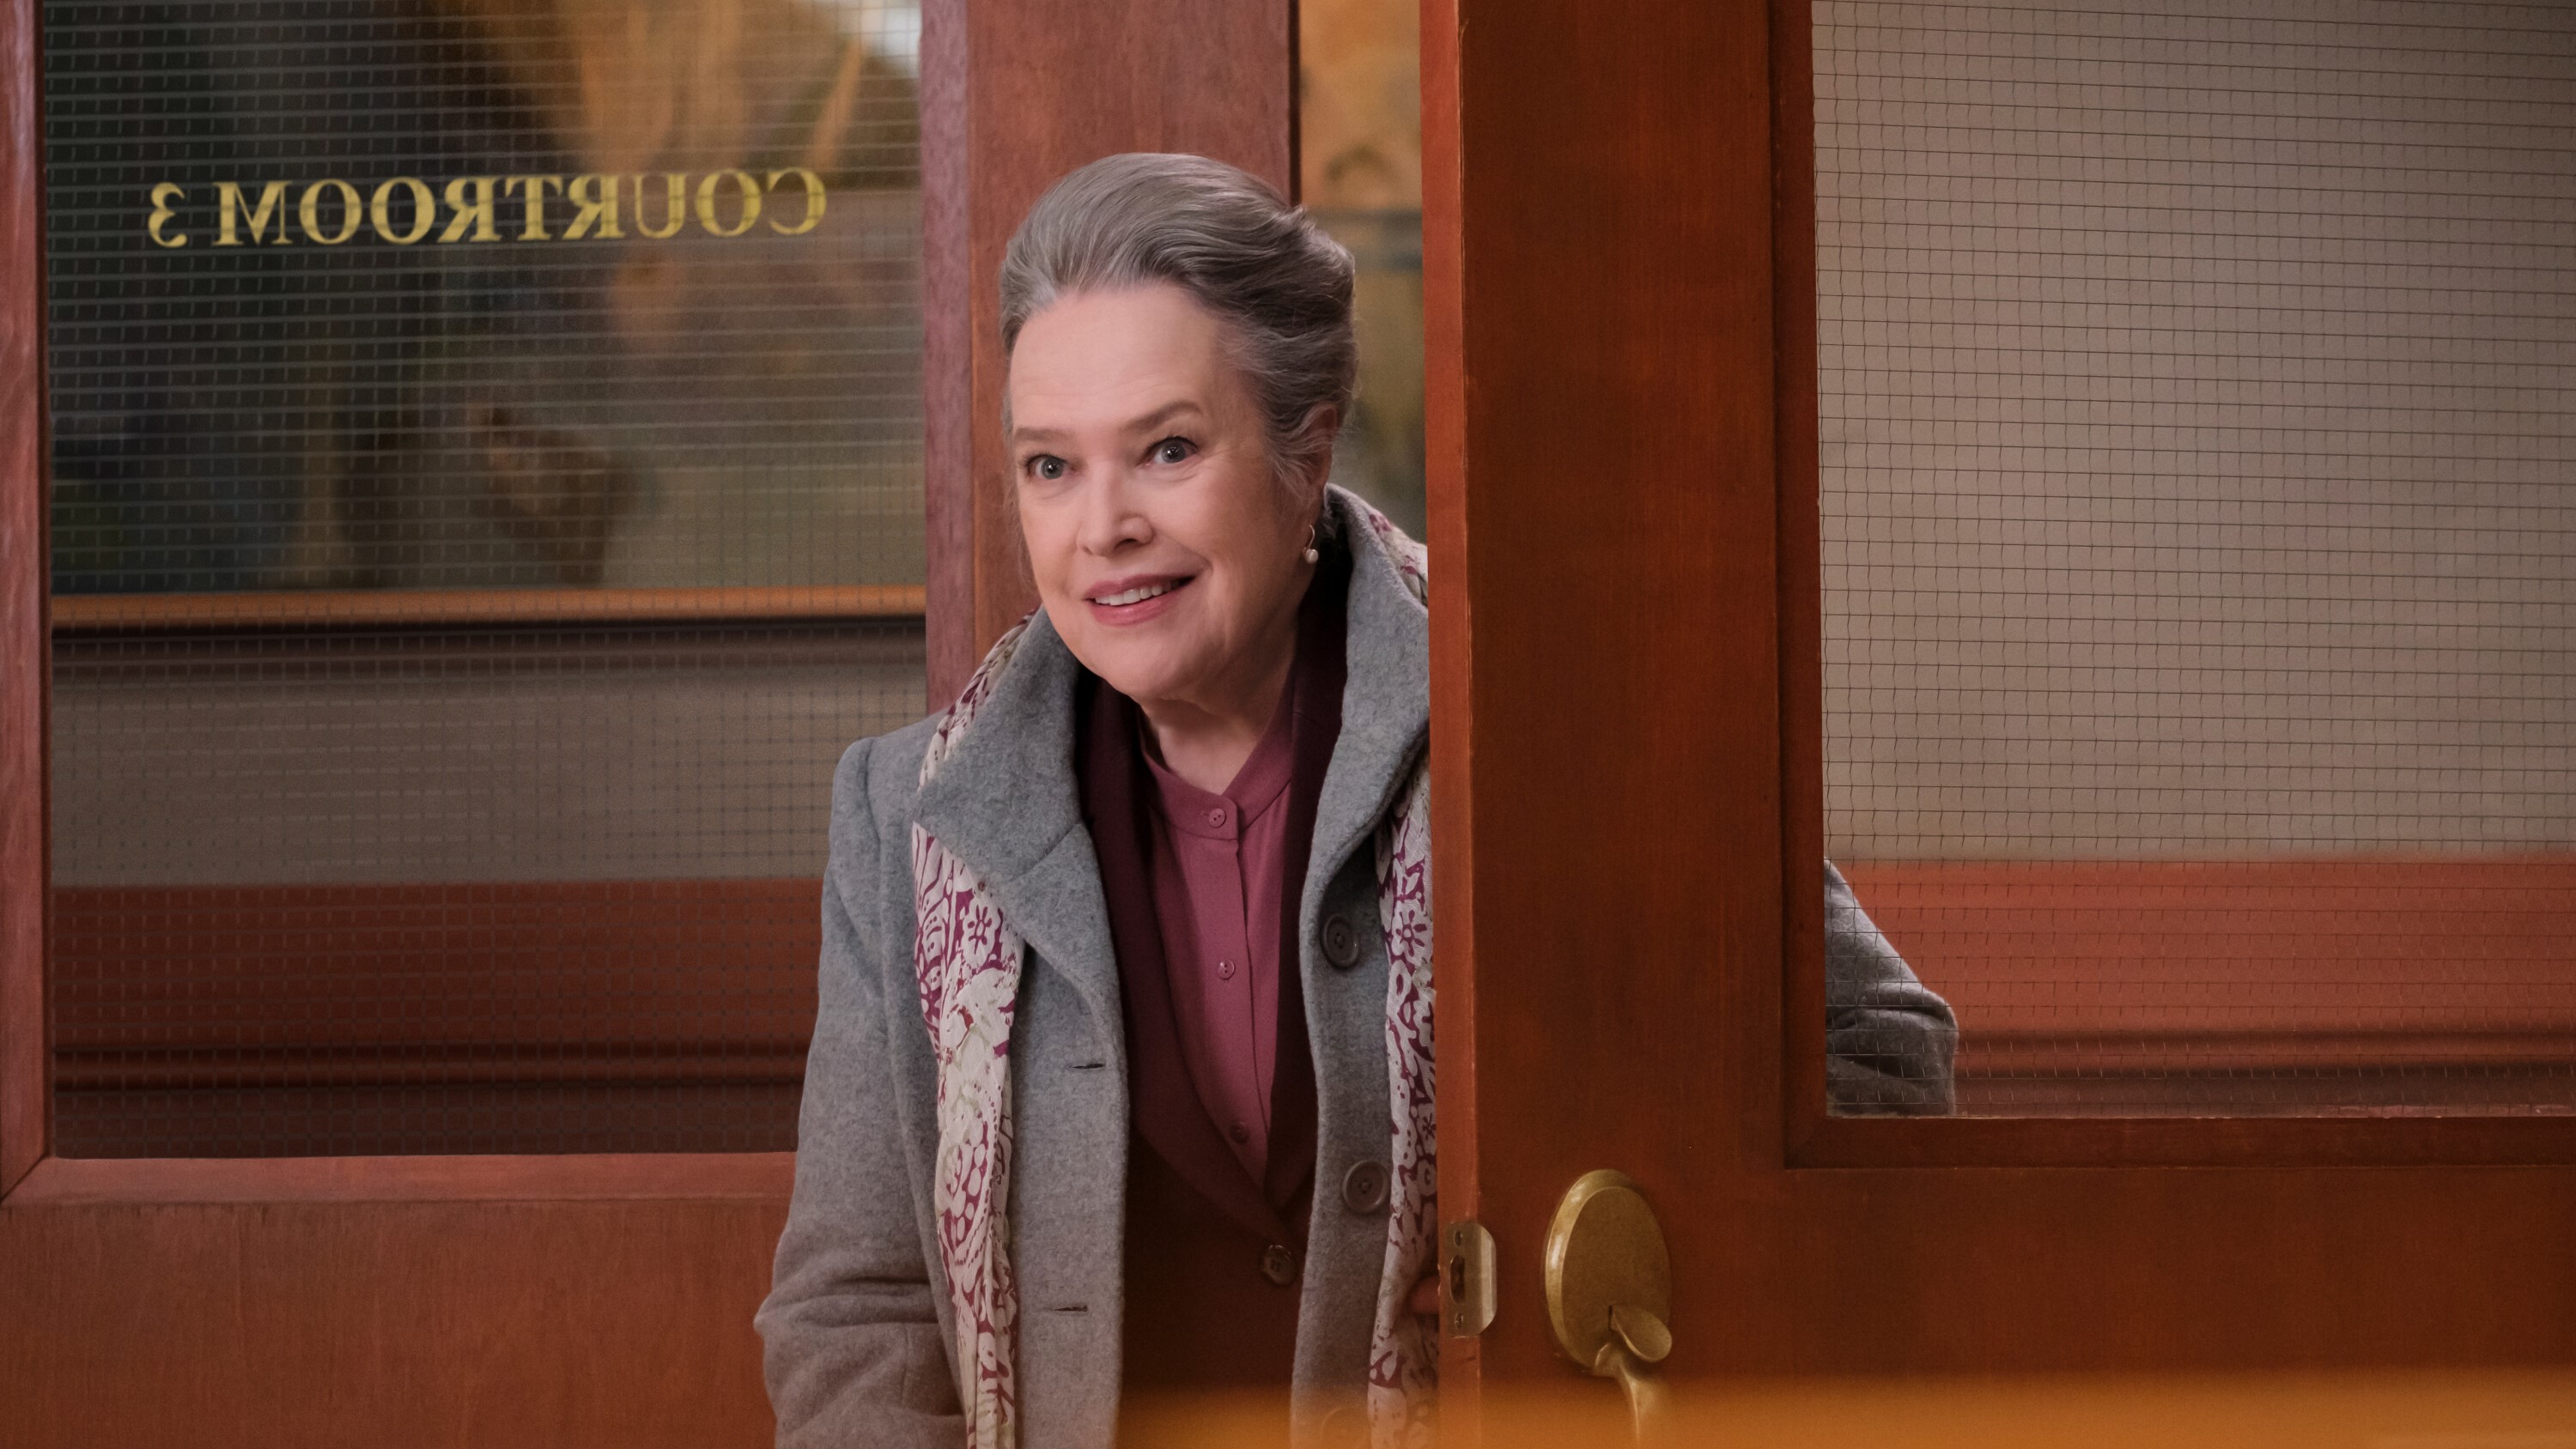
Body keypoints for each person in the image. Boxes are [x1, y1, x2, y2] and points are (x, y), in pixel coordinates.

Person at [755, 152, 1956, 1449]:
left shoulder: (1563, 725)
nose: (1102, 526)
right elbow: (855, 1306)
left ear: (1306, 447)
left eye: (1166, 449)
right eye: (1052, 467)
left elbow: (1879, 1059)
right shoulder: (909, 814)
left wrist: (1574, 1257)